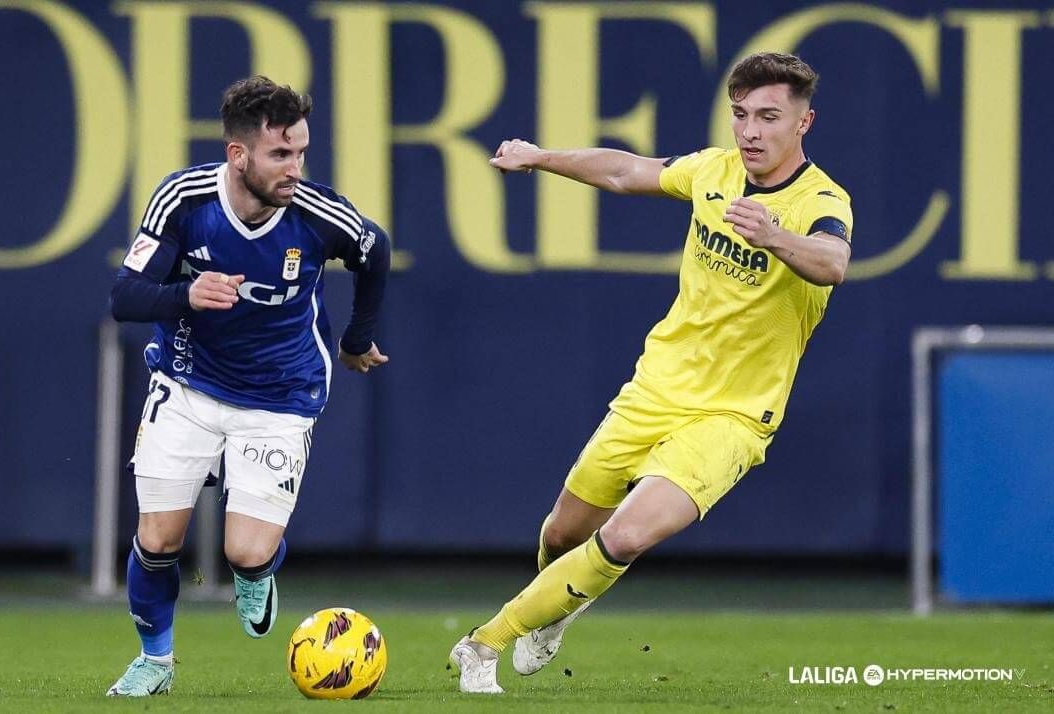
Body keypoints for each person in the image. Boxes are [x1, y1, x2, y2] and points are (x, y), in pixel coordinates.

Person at [450, 52, 853, 694]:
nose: (750, 131)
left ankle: (484, 643)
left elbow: (832, 261)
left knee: (627, 534)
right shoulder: (713, 171)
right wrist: (541, 156)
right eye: (741, 115)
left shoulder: (822, 201)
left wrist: (776, 238)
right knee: (562, 534)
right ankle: (554, 613)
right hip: (656, 389)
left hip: (735, 415)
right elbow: (625, 170)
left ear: (805, 122)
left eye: (769, 117)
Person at [105, 76, 390, 697]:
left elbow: (376, 250)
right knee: (158, 539)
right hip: (189, 383)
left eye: (302, 153)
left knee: (245, 551)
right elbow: (124, 296)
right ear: (239, 155)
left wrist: (354, 338)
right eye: (280, 155)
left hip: (281, 395)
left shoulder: (316, 215)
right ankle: (155, 660)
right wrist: (184, 294)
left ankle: (255, 571)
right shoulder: (184, 200)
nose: (296, 169)